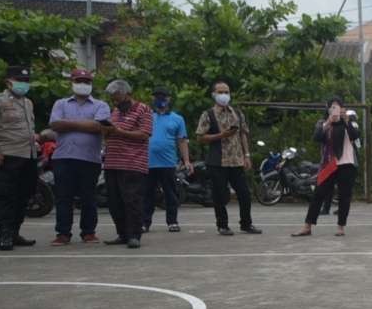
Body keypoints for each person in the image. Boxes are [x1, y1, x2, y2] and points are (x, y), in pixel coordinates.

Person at [48, 69, 110, 246]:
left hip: (89, 158)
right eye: (79, 80)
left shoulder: (101, 105)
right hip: (63, 157)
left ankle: (88, 232)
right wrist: (86, 124)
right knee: (63, 197)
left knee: (88, 196)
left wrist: (68, 124)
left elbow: (100, 127)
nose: (83, 84)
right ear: (72, 82)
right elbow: (55, 124)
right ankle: (63, 233)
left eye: (87, 81)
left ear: (91, 84)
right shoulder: (60, 103)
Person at [0, 65, 38, 251]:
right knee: (6, 196)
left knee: (24, 195)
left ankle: (15, 232)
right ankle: (4, 235)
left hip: (28, 155)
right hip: (7, 156)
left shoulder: (28, 103)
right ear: (8, 81)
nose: (24, 84)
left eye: (26, 81)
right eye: (20, 80)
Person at [195, 80, 261, 236]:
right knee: (220, 195)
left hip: (236, 160)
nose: (224, 95)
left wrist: (247, 155)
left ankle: (246, 224)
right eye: (220, 92)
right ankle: (222, 225)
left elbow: (243, 135)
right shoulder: (208, 114)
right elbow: (200, 137)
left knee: (244, 193)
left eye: (226, 92)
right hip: (217, 161)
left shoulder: (237, 113)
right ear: (213, 94)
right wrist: (221, 135)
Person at [292, 97, 360, 237]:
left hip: (346, 164)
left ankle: (341, 227)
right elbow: (317, 137)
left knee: (344, 196)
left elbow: (355, 136)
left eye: (337, 106)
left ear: (342, 108)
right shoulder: (323, 123)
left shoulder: (349, 122)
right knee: (318, 194)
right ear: (328, 109)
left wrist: (346, 121)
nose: (335, 109)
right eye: (332, 107)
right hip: (329, 164)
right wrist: (329, 122)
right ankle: (307, 226)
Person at [100, 80, 153, 249]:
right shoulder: (115, 111)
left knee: (132, 201)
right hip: (112, 162)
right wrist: (106, 132)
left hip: (132, 163)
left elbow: (144, 134)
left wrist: (119, 131)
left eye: (117, 98)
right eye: (112, 99)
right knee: (115, 202)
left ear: (126, 94)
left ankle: (134, 235)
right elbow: (110, 135)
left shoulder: (143, 109)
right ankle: (122, 234)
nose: (115, 102)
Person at [143, 87, 192, 233]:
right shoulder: (147, 117)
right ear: (153, 99)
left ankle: (172, 221)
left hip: (168, 163)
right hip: (148, 162)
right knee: (147, 194)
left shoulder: (177, 119)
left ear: (169, 99)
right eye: (157, 96)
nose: (160, 99)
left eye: (163, 97)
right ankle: (144, 223)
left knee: (171, 193)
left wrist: (186, 160)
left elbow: (182, 141)